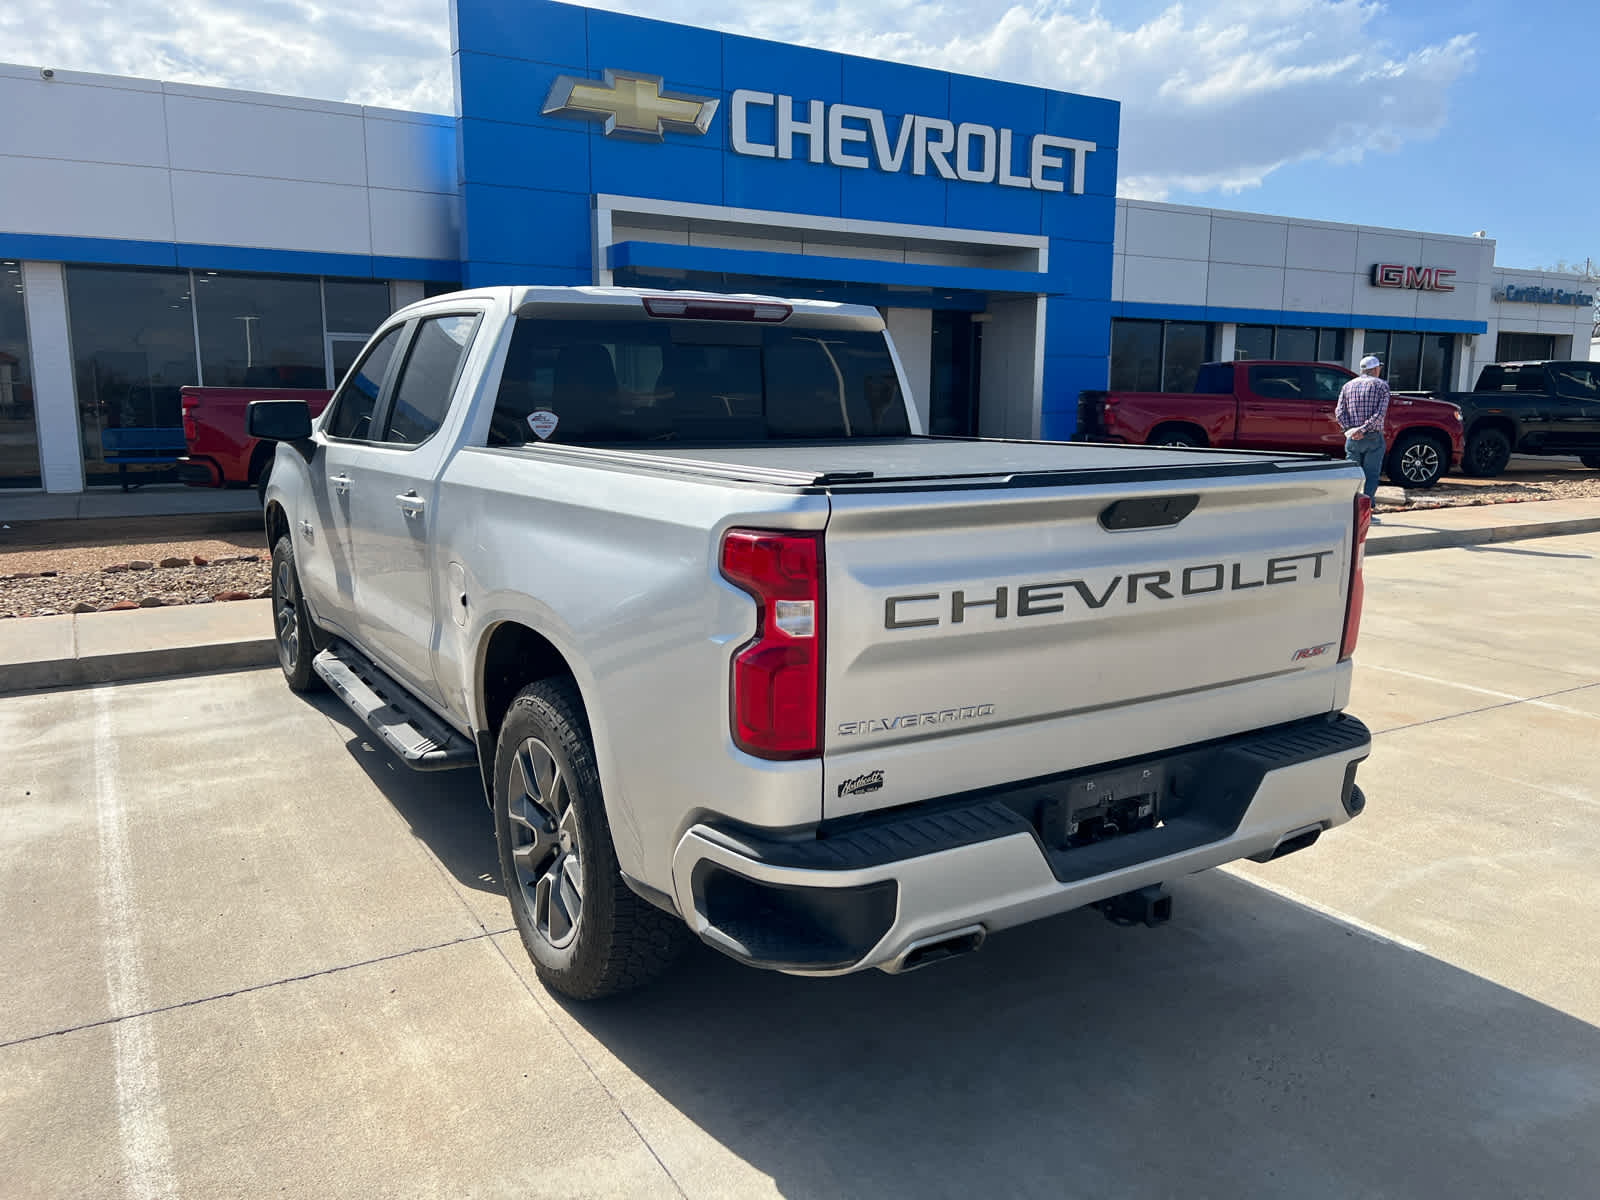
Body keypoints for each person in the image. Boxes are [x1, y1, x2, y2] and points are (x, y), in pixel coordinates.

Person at [1336, 354, 1390, 515]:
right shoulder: (1381, 386)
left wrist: (1350, 429)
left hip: (1352, 437)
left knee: (1352, 475)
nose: (1379, 369)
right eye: (1378, 367)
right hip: (1372, 436)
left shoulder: (1348, 385)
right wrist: (1363, 429)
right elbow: (1380, 414)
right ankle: (1366, 510)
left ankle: (1349, 508)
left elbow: (1339, 412)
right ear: (1374, 369)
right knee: (1371, 474)